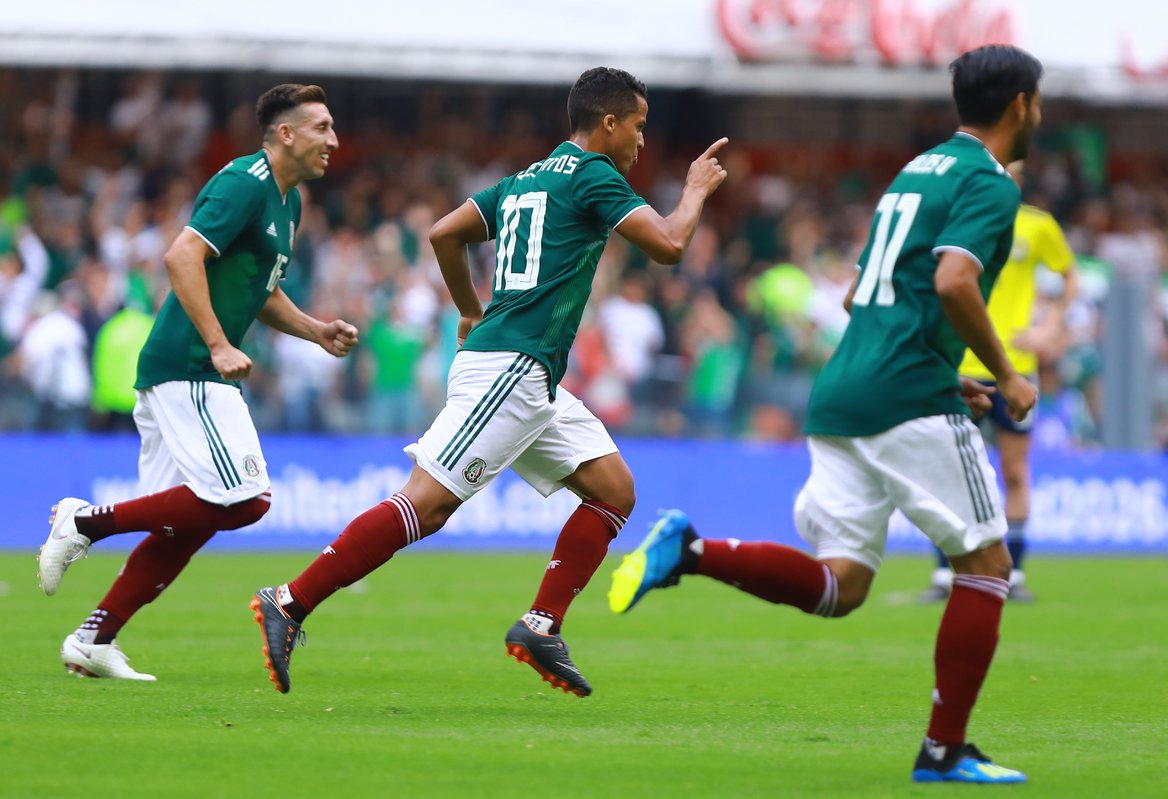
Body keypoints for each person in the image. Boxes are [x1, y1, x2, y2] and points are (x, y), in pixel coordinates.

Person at [609, 45, 1042, 784]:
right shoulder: (991, 185)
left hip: (845, 390)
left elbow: (857, 296)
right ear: (1021, 107)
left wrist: (944, 368)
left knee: (843, 583)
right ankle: (943, 750)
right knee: (987, 565)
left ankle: (691, 551)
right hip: (905, 394)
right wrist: (1004, 372)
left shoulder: (917, 171)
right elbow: (954, 279)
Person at [250, 66, 727, 697]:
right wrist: (694, 191)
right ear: (608, 123)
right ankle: (291, 600)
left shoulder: (527, 177)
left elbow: (445, 233)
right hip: (512, 369)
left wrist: (470, 310)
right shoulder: (594, 175)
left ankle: (541, 625)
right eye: (638, 127)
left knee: (613, 489)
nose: (642, 142)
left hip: (528, 372)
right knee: (427, 504)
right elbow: (668, 244)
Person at [37, 84, 357, 681]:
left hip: (188, 370)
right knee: (247, 498)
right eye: (321, 128)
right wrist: (217, 343)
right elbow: (182, 256)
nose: (333, 141)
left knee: (186, 523)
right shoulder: (245, 183)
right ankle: (83, 522)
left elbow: (259, 291)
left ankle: (94, 637)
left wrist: (314, 330)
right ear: (285, 133)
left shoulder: (291, 202)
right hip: (190, 364)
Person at [921, 165, 1077, 603]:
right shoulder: (958, 220)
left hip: (1015, 365)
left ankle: (1018, 572)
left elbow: (1070, 275)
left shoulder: (1037, 225)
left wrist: (1050, 329)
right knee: (950, 470)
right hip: (960, 363)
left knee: (1013, 470)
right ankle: (943, 572)